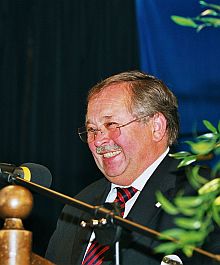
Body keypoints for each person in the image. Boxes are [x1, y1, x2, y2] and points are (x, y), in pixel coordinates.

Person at [45, 71, 218, 265]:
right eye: (92, 130)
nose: (98, 140)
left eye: (111, 124)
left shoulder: (203, 196)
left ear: (156, 127)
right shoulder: (77, 207)